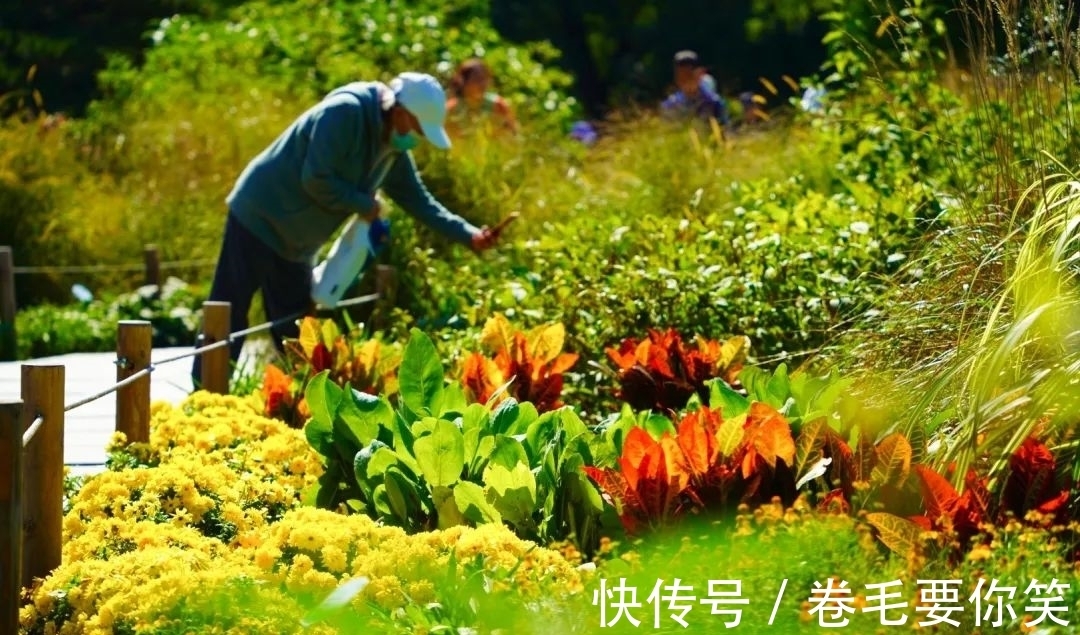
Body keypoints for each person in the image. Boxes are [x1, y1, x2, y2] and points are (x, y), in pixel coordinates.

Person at [191, 72, 504, 386]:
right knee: (229, 311)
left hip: (298, 243)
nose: (416, 139)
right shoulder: (344, 112)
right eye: (417, 128)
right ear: (398, 112)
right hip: (260, 215)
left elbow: (420, 202)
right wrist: (364, 204)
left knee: (297, 330)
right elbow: (316, 178)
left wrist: (469, 235)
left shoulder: (393, 151)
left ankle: (298, 408)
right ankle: (204, 395)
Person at [445, 58, 518, 136]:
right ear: (463, 81)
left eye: (485, 79)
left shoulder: (499, 105)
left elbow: (514, 134)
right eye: (477, 79)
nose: (482, 84)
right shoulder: (450, 109)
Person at [661, 50, 729, 127]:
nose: (684, 80)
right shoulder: (671, 105)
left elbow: (724, 131)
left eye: (688, 75)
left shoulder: (713, 103)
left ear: (700, 74)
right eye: (679, 75)